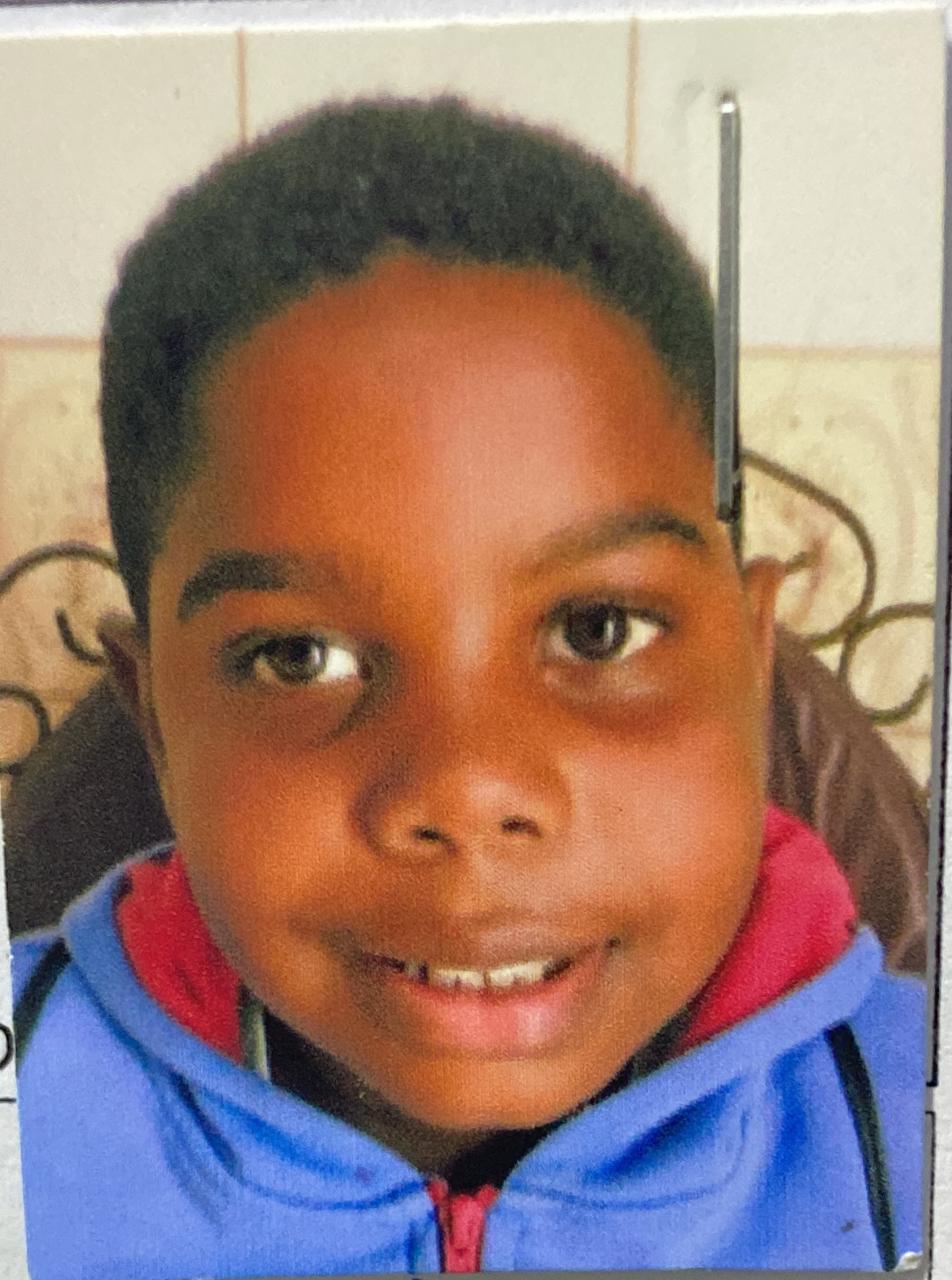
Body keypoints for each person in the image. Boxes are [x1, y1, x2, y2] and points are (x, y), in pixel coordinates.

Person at [10, 97, 923, 1277]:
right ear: (156, 723)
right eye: (298, 656)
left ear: (751, 669)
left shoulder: (915, 1125)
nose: (466, 789)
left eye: (597, 630)